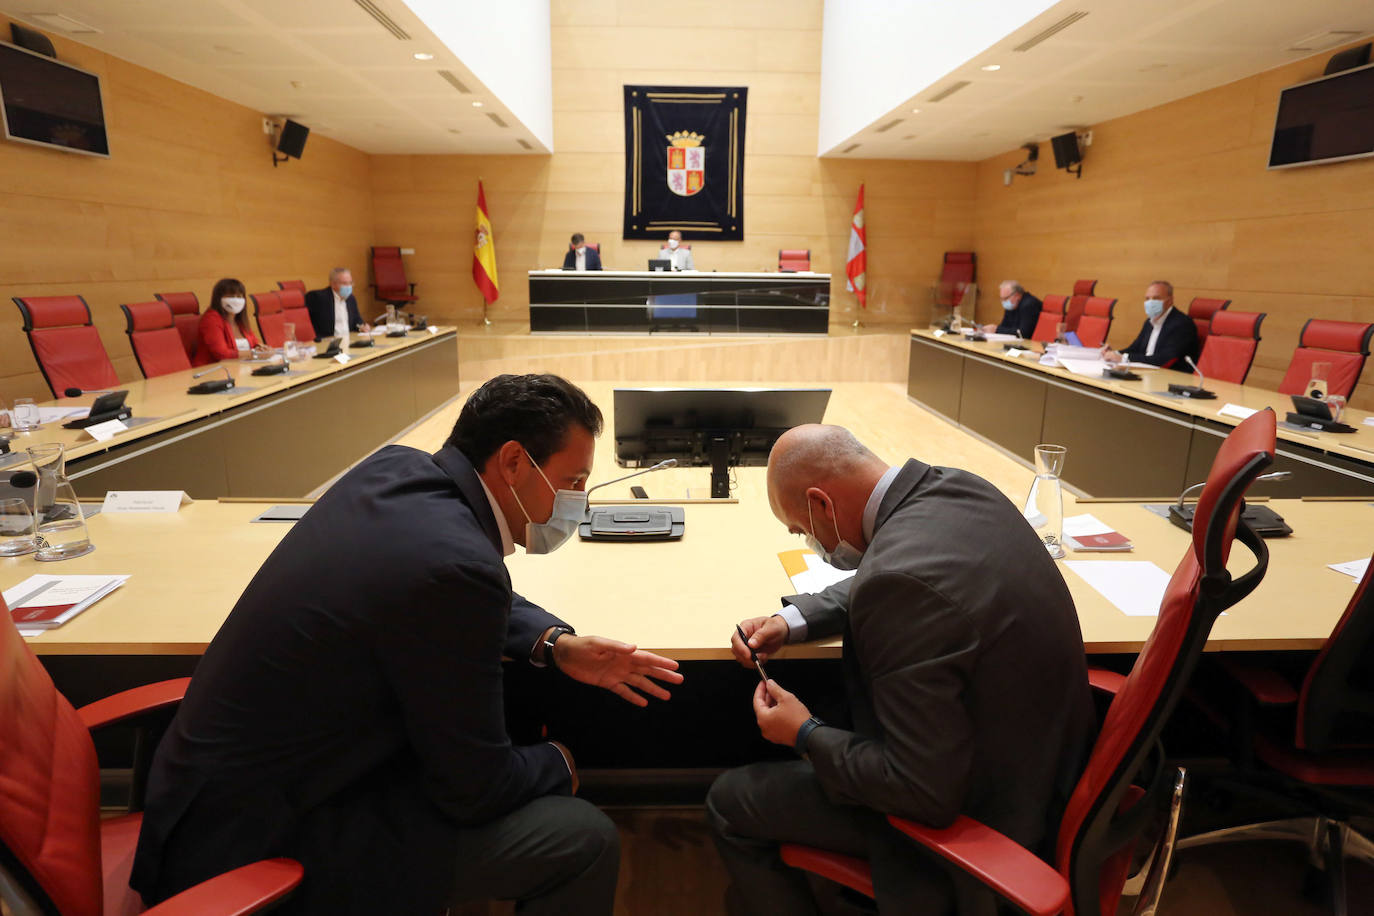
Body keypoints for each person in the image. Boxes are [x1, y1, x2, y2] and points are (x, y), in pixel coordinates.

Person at [130, 373, 684, 916]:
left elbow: (434, 583)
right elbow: (477, 791)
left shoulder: (398, 471)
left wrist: (555, 643)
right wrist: (561, 762)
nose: (578, 502)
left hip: (209, 793)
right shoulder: (456, 566)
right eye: (574, 481)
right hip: (255, 845)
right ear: (514, 462)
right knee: (579, 838)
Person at [708, 425, 1094, 914]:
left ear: (821, 503)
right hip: (1043, 762)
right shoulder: (960, 488)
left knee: (731, 801)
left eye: (802, 529)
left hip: (980, 820)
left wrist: (803, 733)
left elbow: (921, 792)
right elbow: (897, 575)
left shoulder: (900, 583)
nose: (810, 541)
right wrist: (794, 619)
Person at [1103, 280, 1198, 369]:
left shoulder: (1182, 324)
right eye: (1147, 299)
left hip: (1169, 376)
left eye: (1156, 298)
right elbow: (1134, 348)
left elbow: (1165, 359)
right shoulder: (1149, 322)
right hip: (1147, 371)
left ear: (1170, 301)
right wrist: (1113, 353)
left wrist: (1124, 358)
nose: (1150, 303)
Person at [194, 277, 267, 365]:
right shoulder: (211, 319)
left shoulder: (240, 320)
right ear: (218, 298)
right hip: (214, 371)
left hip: (241, 368)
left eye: (239, 296)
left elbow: (254, 343)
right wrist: (254, 353)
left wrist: (263, 349)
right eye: (231, 296)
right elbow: (221, 354)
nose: (236, 300)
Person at [304, 267, 364, 342]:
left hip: (349, 341)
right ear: (333, 284)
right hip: (329, 344)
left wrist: (361, 326)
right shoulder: (318, 298)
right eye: (345, 283)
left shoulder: (351, 299)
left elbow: (357, 319)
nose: (349, 286)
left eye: (350, 283)